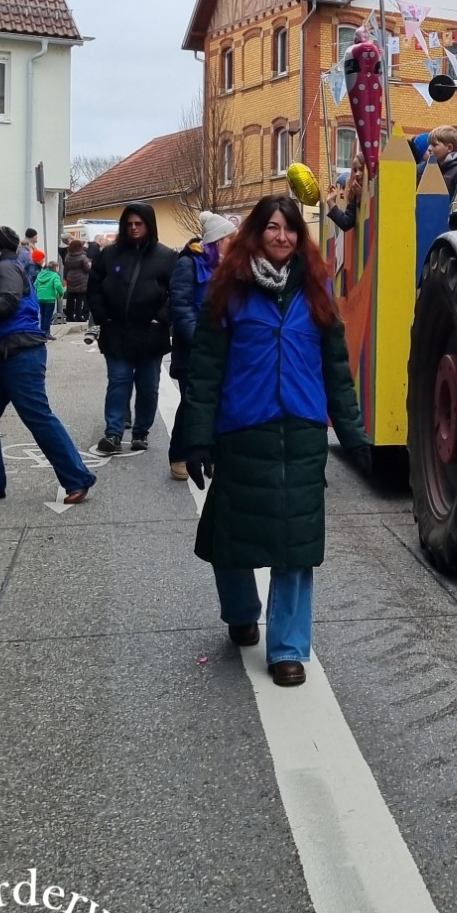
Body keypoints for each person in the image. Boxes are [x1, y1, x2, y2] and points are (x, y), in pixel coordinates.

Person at [184, 194, 368, 685]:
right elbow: (205, 371)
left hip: (302, 428)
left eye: (289, 228)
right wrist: (196, 438)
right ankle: (241, 611)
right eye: (272, 227)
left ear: (299, 236)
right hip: (244, 427)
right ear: (256, 233)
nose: (282, 236)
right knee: (233, 532)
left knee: (297, 543)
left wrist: (353, 435)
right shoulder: (228, 289)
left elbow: (336, 370)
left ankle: (287, 647)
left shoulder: (317, 289)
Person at [0, 226, 96, 506]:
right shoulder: (3, 267)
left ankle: (77, 478)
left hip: (17, 354)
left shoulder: (4, 267)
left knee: (37, 416)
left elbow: (8, 302)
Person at [86, 201, 175, 453]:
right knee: (119, 381)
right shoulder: (109, 255)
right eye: (129, 224)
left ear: (149, 225)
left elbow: (177, 292)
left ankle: (141, 433)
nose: (134, 228)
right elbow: (94, 288)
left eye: (139, 223)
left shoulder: (166, 256)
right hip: (117, 331)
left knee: (148, 386)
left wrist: (162, 318)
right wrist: (103, 317)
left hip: (150, 333)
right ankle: (113, 433)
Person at [167, 212, 236, 481]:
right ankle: (178, 455)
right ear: (218, 241)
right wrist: (201, 340)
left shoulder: (229, 267)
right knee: (191, 403)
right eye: (230, 238)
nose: (234, 243)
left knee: (217, 401)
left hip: (223, 348)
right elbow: (181, 307)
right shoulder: (188, 264)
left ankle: (211, 453)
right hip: (192, 351)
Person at [61, 237, 92, 323]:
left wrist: (65, 277)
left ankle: (69, 316)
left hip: (70, 278)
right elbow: (87, 269)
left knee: (70, 297)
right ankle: (78, 316)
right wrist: (90, 264)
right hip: (81, 279)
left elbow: (66, 267)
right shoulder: (82, 257)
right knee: (79, 298)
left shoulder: (68, 256)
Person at [34, 256, 64, 337]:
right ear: (56, 268)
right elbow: (58, 286)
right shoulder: (55, 275)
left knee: (42, 315)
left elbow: (35, 284)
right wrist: (61, 294)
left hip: (40, 298)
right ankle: (47, 332)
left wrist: (38, 292)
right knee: (48, 316)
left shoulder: (40, 274)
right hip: (50, 298)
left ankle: (42, 332)